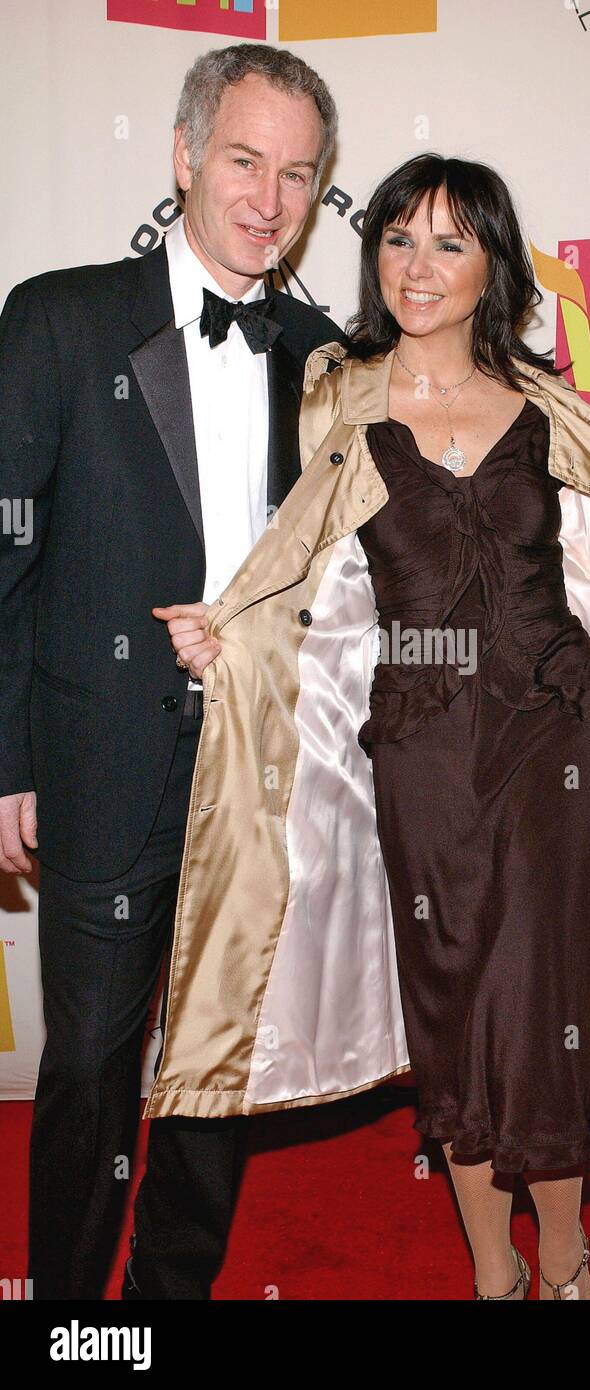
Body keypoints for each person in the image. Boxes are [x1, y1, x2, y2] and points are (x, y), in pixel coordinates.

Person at [160, 153, 590, 1300]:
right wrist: (226, 626)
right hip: (420, 733)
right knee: (454, 1009)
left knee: (532, 1002)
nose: (418, 267)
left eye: (449, 242)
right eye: (398, 240)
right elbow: (291, 554)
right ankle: (494, 1270)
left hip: (552, 727)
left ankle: (563, 1260)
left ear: (493, 264)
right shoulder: (336, 391)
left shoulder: (542, 403)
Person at [0, 42, 345, 1300]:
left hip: (262, 770)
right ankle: (72, 1311)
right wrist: (6, 762)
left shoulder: (322, 354)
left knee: (222, 1067)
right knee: (91, 1063)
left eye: (298, 175)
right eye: (246, 160)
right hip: (101, 757)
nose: (268, 199)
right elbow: (6, 552)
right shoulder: (58, 315)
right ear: (185, 154)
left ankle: (167, 1303)